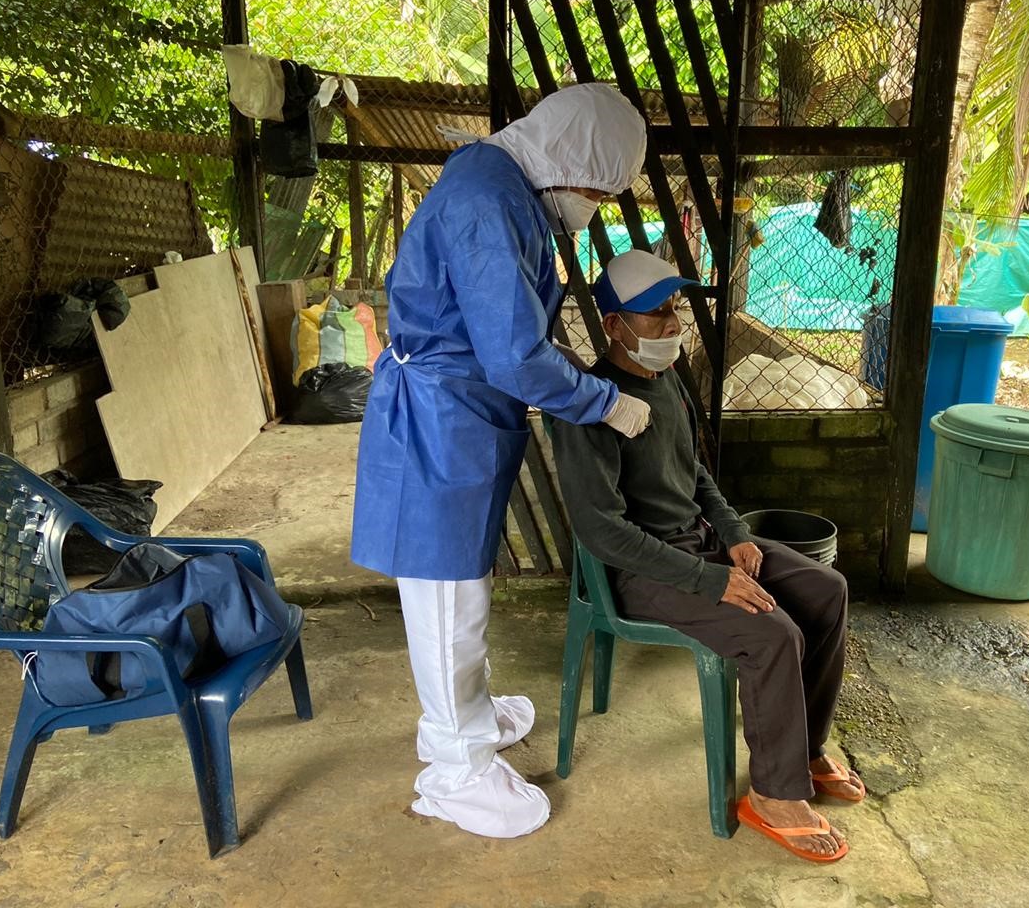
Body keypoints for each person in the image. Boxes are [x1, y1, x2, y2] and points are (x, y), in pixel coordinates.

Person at [351, 84, 650, 840]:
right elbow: (515, 352)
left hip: (462, 409)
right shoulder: (489, 201)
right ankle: (455, 769)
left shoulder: (503, 184)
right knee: (448, 597)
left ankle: (469, 715)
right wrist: (603, 401)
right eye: (596, 189)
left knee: (464, 586)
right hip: (442, 418)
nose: (593, 204)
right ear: (571, 160)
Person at [549, 249, 864, 863]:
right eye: (655, 313)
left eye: (674, 308)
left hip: (701, 543)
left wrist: (732, 530)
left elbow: (693, 471)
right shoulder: (588, 408)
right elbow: (603, 534)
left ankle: (802, 751)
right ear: (614, 326)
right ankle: (772, 795)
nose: (673, 323)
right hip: (639, 572)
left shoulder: (665, 381)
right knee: (772, 633)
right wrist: (709, 580)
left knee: (827, 591)